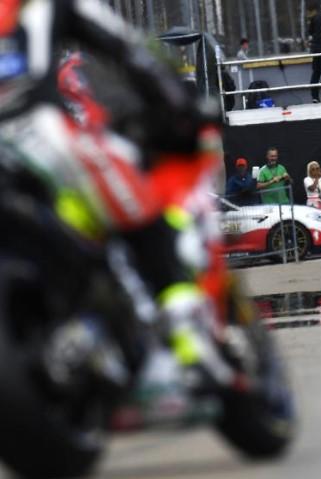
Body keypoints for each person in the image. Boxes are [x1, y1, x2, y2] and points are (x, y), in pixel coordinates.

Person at [0, 0, 231, 408]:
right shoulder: (38, 7)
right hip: (38, 137)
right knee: (142, 211)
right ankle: (189, 346)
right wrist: (180, 104)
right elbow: (132, 51)